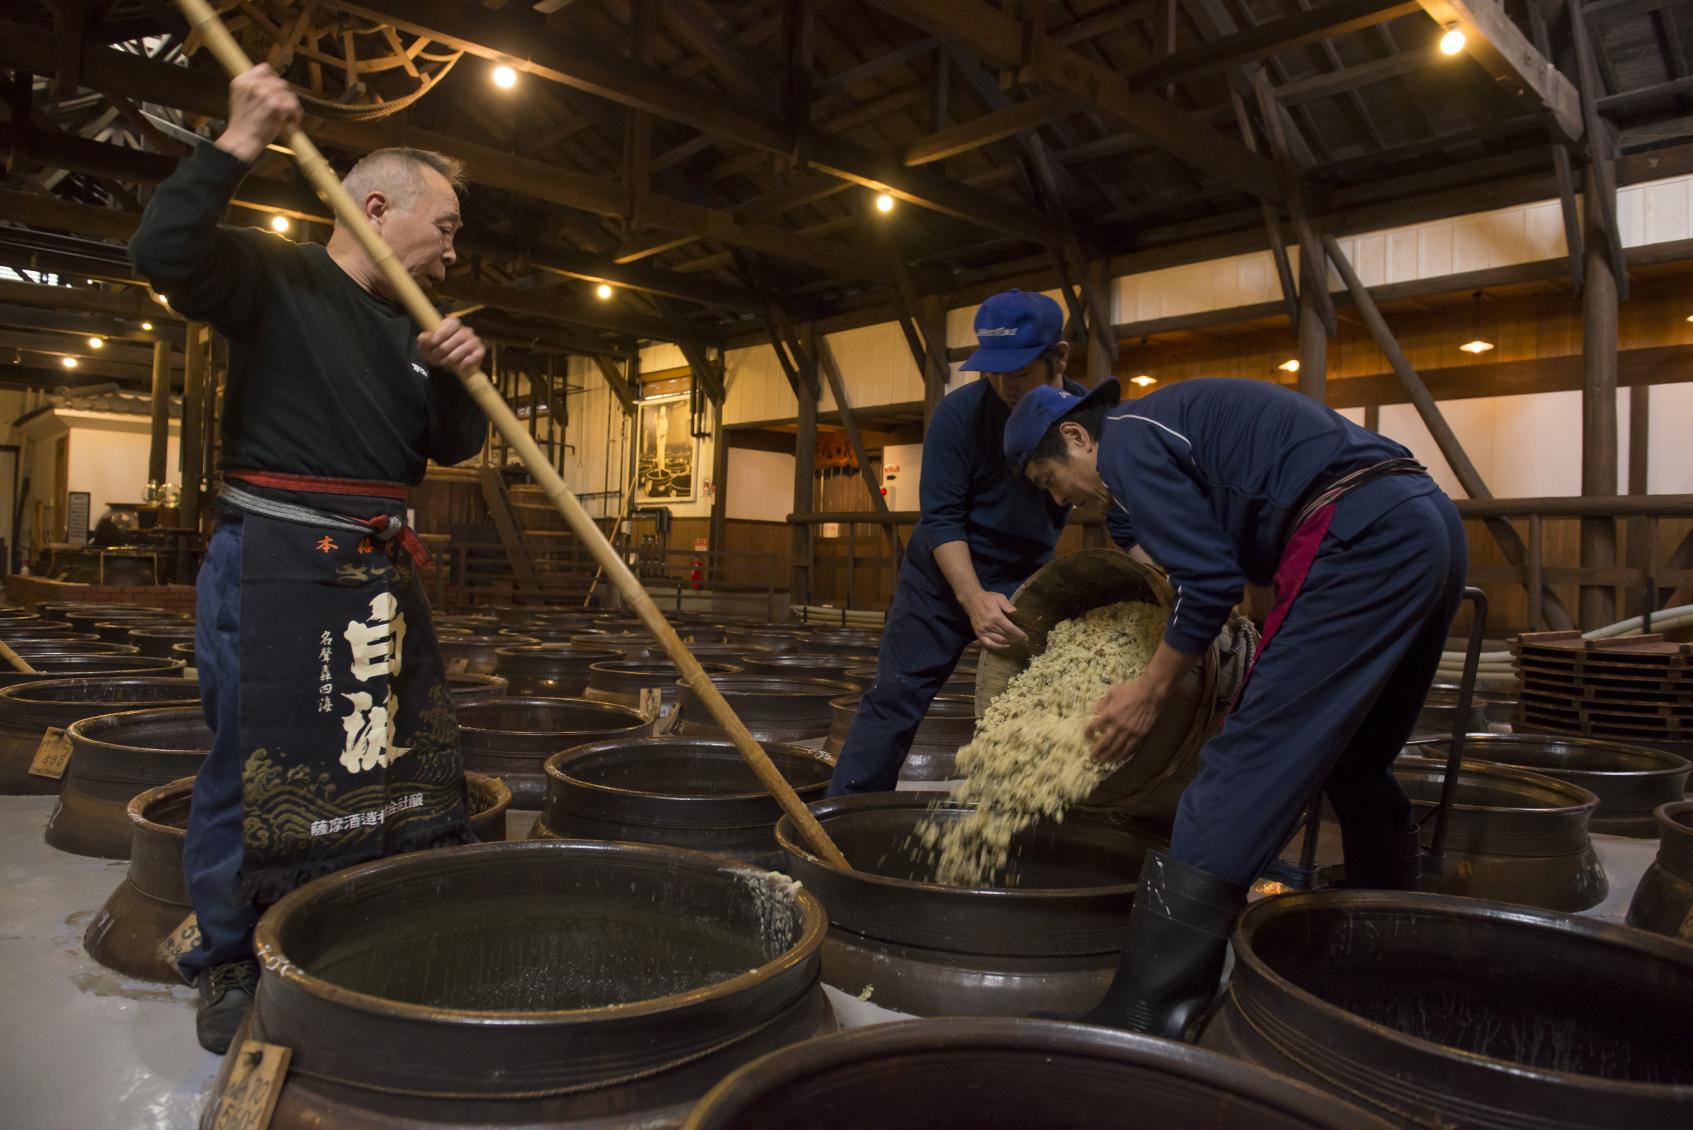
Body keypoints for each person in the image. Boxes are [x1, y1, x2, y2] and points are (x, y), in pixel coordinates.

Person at [129, 63, 489, 1053]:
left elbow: (449, 448)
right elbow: (161, 249)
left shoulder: (416, 328)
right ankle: (231, 950)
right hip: (277, 554)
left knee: (381, 751)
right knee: (255, 762)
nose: (453, 249)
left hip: (375, 561)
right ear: (375, 205)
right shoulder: (275, 275)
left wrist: (458, 376)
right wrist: (238, 139)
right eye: (445, 224)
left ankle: (352, 914)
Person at [1003, 376, 1465, 1039]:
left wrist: (1149, 689)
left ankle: (1149, 1012)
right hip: (1426, 523)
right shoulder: (1162, 429)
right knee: (1357, 760)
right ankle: (1391, 953)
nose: (1058, 499)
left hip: (1359, 534)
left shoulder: (1126, 442)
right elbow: (1192, 553)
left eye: (1049, 478)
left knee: (1241, 766)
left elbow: (1210, 581)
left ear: (1077, 436)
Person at [829, 289, 1100, 795]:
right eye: (991, 371)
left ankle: (1024, 827)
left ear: (1059, 357)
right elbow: (942, 519)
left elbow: (1119, 503)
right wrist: (972, 598)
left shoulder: (1086, 420)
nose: (1003, 386)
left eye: (1018, 373)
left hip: (1027, 584)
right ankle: (839, 828)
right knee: (894, 699)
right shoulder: (958, 417)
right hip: (941, 579)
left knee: (1041, 706)